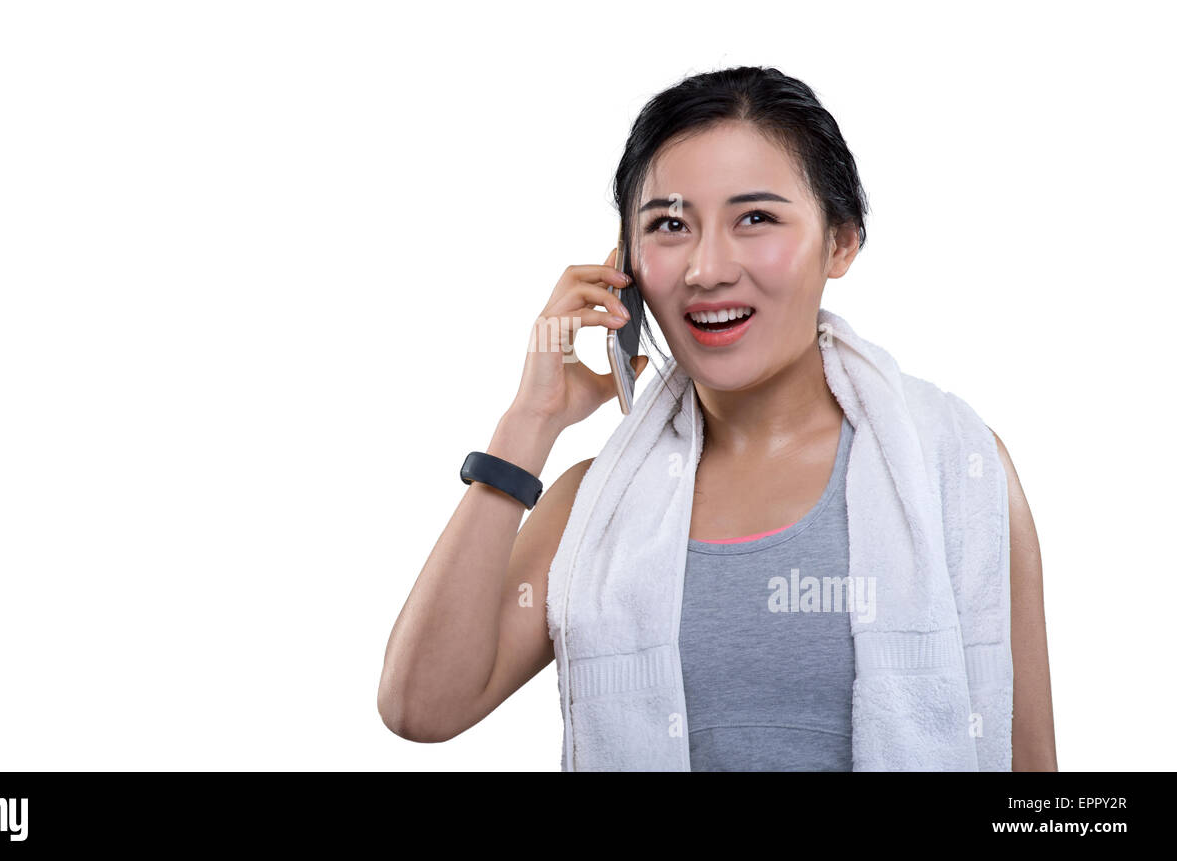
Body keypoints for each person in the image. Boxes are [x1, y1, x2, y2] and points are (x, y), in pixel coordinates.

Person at [377, 65, 1056, 771]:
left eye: (755, 218)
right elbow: (420, 705)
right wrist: (529, 420)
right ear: (628, 267)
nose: (707, 267)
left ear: (841, 242)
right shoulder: (594, 505)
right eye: (669, 225)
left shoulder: (954, 468)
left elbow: (1031, 767)